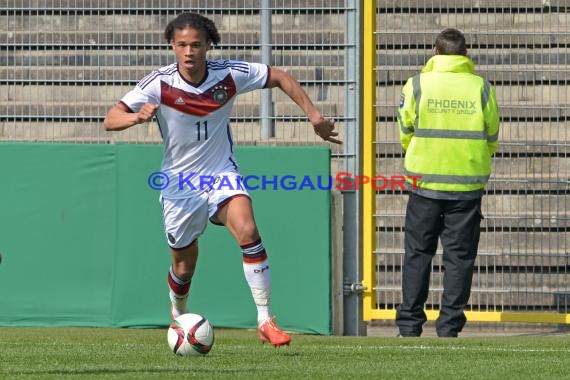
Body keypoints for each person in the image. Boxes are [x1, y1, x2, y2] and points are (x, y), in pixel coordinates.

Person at [103, 12, 341, 346]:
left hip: (220, 174)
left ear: (208, 45)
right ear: (172, 46)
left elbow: (280, 77)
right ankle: (179, 311)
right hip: (178, 186)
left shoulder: (229, 74)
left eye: (196, 45)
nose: (189, 52)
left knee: (248, 229)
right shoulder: (158, 83)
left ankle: (265, 319)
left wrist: (314, 116)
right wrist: (135, 117)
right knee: (184, 267)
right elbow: (110, 119)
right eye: (182, 45)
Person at [395, 28, 500, 337]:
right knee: (459, 259)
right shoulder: (481, 87)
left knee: (417, 253)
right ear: (465, 54)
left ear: (435, 51)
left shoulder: (416, 84)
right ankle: (449, 328)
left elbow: (405, 130)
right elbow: (491, 134)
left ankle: (409, 327)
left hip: (424, 183)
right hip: (466, 186)